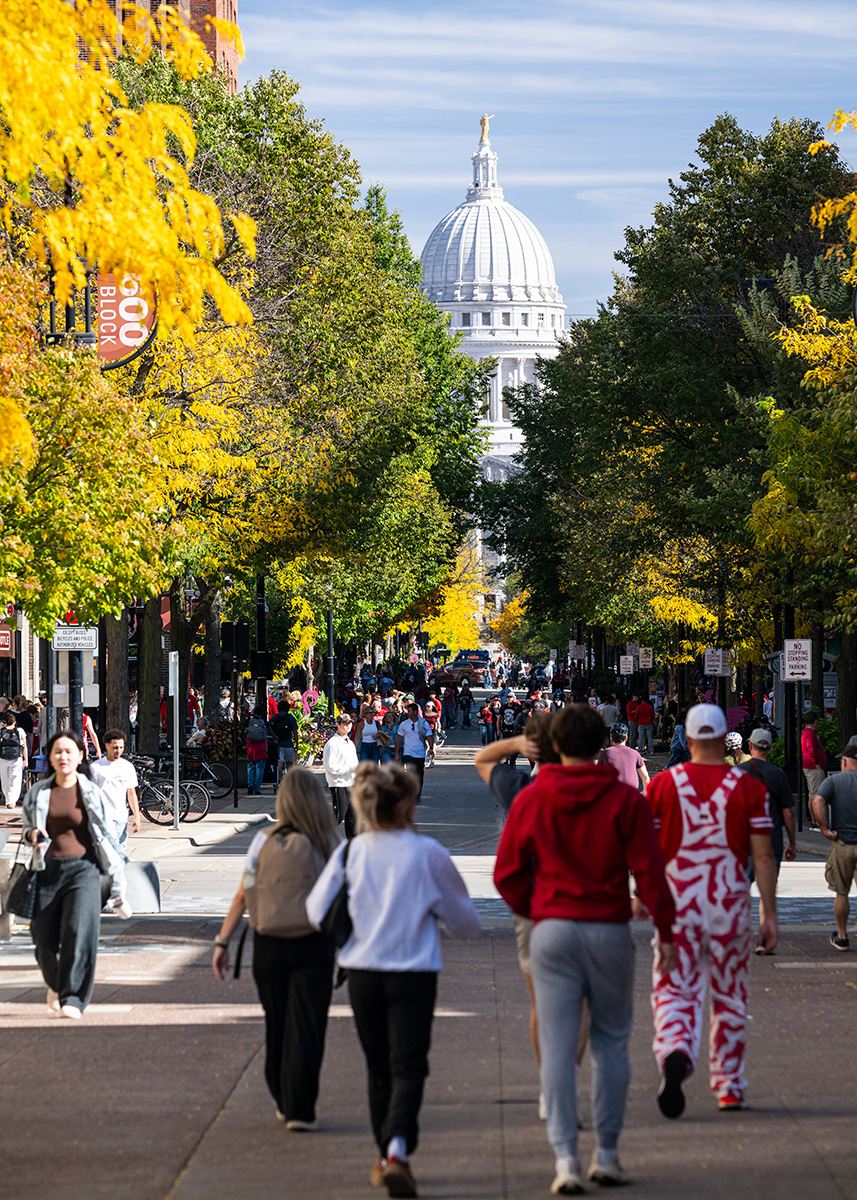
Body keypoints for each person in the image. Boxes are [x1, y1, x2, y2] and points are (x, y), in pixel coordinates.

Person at [494, 704, 676, 1194]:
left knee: (556, 1045)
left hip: (551, 926)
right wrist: (666, 930)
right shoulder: (625, 801)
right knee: (612, 1041)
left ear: (555, 745)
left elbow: (506, 874)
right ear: (601, 746)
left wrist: (536, 908)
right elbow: (651, 874)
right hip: (608, 926)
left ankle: (565, 1160)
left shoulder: (533, 799)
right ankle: (609, 1154)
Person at [306, 762, 481, 1198]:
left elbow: (314, 910)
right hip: (414, 972)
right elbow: (466, 924)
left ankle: (386, 1153)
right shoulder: (428, 854)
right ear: (405, 805)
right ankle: (398, 1149)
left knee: (378, 1066)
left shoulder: (350, 853)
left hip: (363, 970)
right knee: (410, 1064)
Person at [646, 703, 777, 1118]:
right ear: (724, 738)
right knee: (729, 994)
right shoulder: (749, 789)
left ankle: (676, 1049)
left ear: (688, 736)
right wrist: (768, 914)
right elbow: (762, 857)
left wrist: (642, 895)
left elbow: (648, 854)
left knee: (674, 987)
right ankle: (730, 1085)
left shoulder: (663, 786)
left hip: (677, 905)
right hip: (728, 903)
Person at [213, 768, 338, 1129]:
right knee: (308, 1024)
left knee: (277, 1021)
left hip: (268, 944)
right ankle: (300, 1105)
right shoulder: (330, 842)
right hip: (314, 943)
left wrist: (223, 940)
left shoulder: (262, 840)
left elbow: (242, 893)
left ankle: (282, 1094)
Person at [21, 730, 130, 1019]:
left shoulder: (91, 791)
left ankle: (74, 998)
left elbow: (106, 834)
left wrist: (117, 879)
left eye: (70, 751)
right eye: (58, 752)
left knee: (78, 932)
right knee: (43, 939)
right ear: (50, 758)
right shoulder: (38, 793)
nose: (63, 757)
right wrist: (32, 834)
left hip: (84, 870)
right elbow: (27, 829)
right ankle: (57, 985)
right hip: (46, 870)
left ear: (81, 755)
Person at [737, 728, 796, 926]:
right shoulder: (778, 775)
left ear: (750, 745)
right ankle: (765, 934)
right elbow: (788, 813)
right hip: (772, 842)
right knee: (767, 893)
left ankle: (738, 932)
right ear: (770, 748)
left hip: (743, 843)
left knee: (739, 889)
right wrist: (792, 843)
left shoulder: (737, 773)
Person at [810, 741, 857, 951]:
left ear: (846, 761)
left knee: (841, 892)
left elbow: (817, 801)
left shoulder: (836, 781)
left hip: (842, 843)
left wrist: (824, 829)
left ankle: (842, 935)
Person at [89, 730, 141, 848]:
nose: (119, 751)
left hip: (121, 817)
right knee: (108, 853)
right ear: (107, 746)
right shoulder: (96, 767)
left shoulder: (127, 767)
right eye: (115, 747)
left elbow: (131, 793)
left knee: (119, 853)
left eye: (121, 747)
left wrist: (137, 817)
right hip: (103, 818)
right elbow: (91, 794)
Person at [322, 712, 359, 838]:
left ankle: (352, 846)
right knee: (338, 816)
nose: (347, 726)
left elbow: (355, 763)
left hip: (352, 783)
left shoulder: (350, 743)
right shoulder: (332, 743)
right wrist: (348, 769)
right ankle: (319, 837)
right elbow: (329, 766)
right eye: (344, 723)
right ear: (337, 724)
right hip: (339, 783)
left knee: (353, 818)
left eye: (349, 723)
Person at [394, 703, 434, 801]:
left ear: (415, 712)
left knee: (419, 775)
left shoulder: (423, 723)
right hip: (408, 753)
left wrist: (431, 747)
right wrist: (396, 754)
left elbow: (429, 736)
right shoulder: (404, 724)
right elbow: (399, 740)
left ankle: (417, 794)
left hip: (420, 753)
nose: (408, 713)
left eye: (410, 711)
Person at [597, 723, 649, 792]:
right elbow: (645, 777)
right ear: (626, 738)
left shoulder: (604, 754)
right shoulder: (634, 753)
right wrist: (645, 794)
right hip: (631, 793)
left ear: (611, 738)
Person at [0, 708, 28, 809]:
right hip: (17, 758)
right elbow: (24, 746)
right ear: (15, 722)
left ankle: (8, 799)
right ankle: (12, 800)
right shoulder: (20, 731)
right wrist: (26, 759)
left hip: (3, 758)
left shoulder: (1, 731)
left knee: (5, 779)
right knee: (15, 779)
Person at [801, 711, 827, 812]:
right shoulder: (810, 734)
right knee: (816, 795)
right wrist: (818, 764)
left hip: (810, 766)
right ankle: (816, 820)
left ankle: (815, 820)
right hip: (813, 768)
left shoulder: (806, 733)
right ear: (815, 721)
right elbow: (811, 750)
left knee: (813, 793)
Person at [269, 699, 300, 782]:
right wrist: (297, 743)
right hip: (288, 743)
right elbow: (295, 731)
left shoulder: (275, 717)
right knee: (289, 763)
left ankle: (279, 779)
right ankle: (290, 780)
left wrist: (274, 736)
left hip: (278, 743)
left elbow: (269, 726)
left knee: (280, 762)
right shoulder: (290, 718)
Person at [245, 707, 269, 796]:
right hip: (261, 745)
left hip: (251, 745)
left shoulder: (249, 720)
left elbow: (246, 732)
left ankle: (250, 785)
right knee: (260, 767)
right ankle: (257, 788)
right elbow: (268, 731)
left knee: (251, 766)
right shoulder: (264, 721)